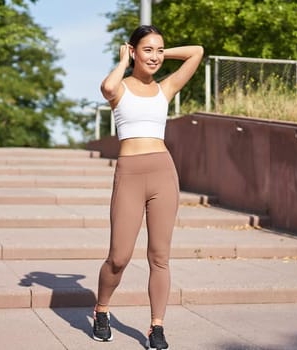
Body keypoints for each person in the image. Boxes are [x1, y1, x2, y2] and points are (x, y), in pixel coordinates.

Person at [92, 24, 203, 350]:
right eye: (148, 50)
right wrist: (126, 60)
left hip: (162, 174)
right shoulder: (121, 88)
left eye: (160, 50)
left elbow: (196, 51)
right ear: (132, 51)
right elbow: (107, 86)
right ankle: (101, 309)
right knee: (119, 257)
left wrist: (158, 54)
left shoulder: (165, 88)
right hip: (129, 174)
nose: (155, 56)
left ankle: (157, 326)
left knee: (160, 256)